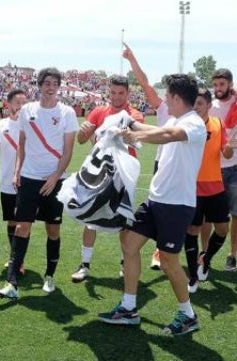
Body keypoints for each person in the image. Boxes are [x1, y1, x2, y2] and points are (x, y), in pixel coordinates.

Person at [99, 74, 206, 336]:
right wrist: (131, 123)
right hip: (156, 200)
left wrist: (134, 134)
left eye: (168, 96)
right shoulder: (175, 118)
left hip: (176, 205)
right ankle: (128, 307)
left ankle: (188, 315)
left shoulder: (193, 123)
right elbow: (155, 129)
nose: (165, 100)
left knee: (169, 262)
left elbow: (168, 135)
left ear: (178, 98)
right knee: (129, 243)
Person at [0, 67, 78, 299]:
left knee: (53, 230)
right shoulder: (27, 110)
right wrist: (18, 170)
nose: (51, 87)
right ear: (40, 86)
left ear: (58, 87)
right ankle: (11, 282)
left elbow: (68, 150)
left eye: (55, 83)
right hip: (29, 178)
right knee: (22, 227)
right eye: (47, 83)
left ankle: (49, 276)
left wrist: (55, 176)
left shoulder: (67, 112)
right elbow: (21, 143)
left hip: (55, 179)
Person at [71, 75, 144, 282]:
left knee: (123, 219)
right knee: (90, 218)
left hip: (123, 175)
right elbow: (82, 139)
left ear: (128, 93)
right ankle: (84, 265)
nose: (116, 97)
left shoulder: (134, 115)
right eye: (113, 92)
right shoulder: (99, 111)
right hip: (99, 174)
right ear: (108, 92)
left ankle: (124, 263)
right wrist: (84, 132)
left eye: (121, 93)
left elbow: (133, 138)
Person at [123, 42, 171, 270]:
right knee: (159, 206)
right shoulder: (163, 108)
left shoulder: (193, 114)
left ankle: (179, 253)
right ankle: (159, 251)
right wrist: (132, 59)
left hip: (186, 167)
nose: (167, 95)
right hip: (162, 163)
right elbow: (144, 83)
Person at [184, 88, 232, 293]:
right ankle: (193, 275)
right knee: (192, 230)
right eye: (193, 103)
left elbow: (226, 154)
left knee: (222, 229)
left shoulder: (218, 124)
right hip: (192, 187)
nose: (195, 107)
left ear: (209, 106)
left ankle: (206, 259)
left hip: (215, 186)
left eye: (200, 103)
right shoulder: (186, 126)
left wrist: (231, 147)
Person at [0, 89, 28, 271]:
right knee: (11, 221)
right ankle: (14, 255)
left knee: (23, 221)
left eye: (24, 102)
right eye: (18, 102)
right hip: (7, 179)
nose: (21, 106)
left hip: (27, 179)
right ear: (9, 104)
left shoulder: (32, 124)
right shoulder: (1, 124)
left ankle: (19, 260)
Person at [207, 69, 237, 272]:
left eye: (222, 85)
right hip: (213, 169)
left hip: (235, 168)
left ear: (230, 84)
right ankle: (204, 254)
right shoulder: (212, 107)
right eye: (216, 85)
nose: (218, 89)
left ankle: (232, 254)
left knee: (236, 215)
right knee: (207, 216)